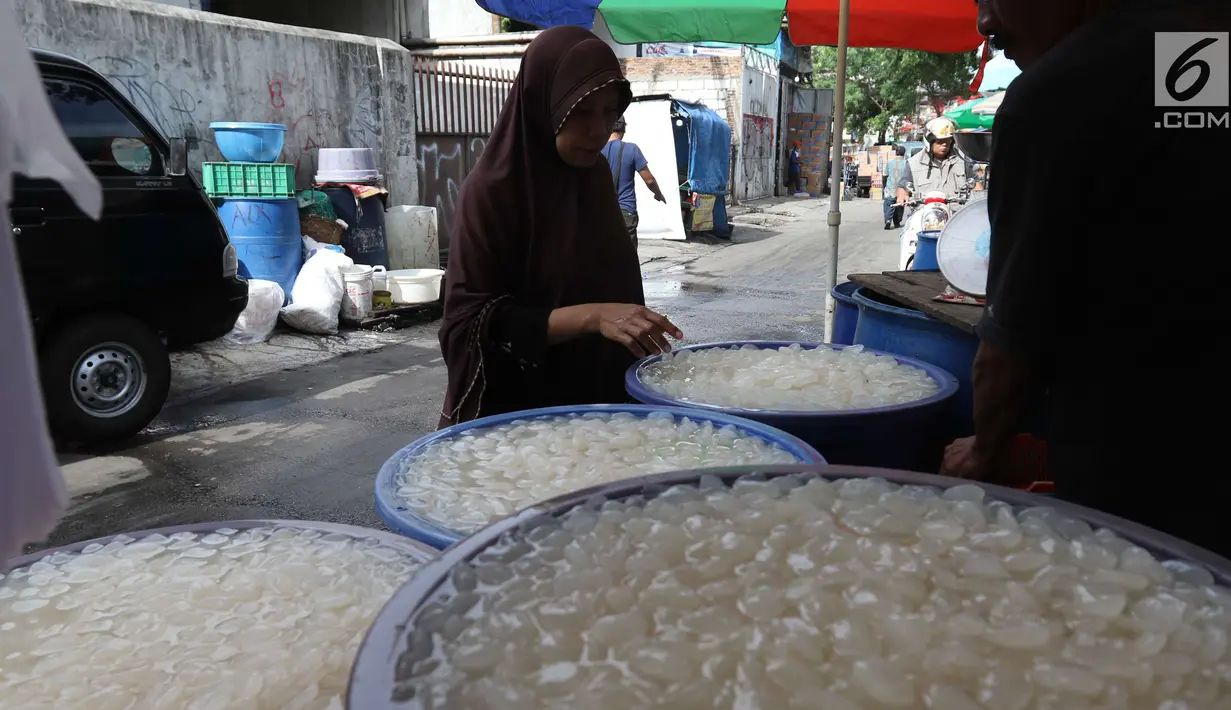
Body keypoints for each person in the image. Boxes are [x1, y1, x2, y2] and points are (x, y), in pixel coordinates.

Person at [941, 0, 1230, 557]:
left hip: (1144, 489)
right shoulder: (1196, 47)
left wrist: (984, 454)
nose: (985, 24)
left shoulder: (1061, 91)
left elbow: (1011, 341)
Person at [438, 26, 683, 428]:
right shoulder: (492, 192)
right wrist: (590, 317)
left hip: (603, 406)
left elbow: (613, 283)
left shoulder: (595, 175)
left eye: (609, 112)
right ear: (542, 104)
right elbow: (468, 324)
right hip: (521, 416)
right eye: (581, 112)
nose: (598, 130)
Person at [601, 116, 667, 244]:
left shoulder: (596, 150)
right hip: (625, 211)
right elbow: (649, 180)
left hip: (601, 211)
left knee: (604, 254)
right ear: (624, 129)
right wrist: (658, 194)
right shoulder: (631, 149)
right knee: (627, 255)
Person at [895, 116, 967, 206]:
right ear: (929, 141)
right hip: (925, 216)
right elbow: (902, 186)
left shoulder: (963, 160)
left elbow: (976, 186)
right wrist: (902, 196)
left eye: (948, 141)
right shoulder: (913, 164)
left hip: (956, 216)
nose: (944, 145)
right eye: (940, 141)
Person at [882, 145, 907, 230]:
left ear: (896, 153)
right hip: (901, 189)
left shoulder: (890, 162)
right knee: (899, 205)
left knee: (889, 204)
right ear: (904, 153)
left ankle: (888, 220)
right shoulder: (906, 163)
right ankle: (897, 221)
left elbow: (885, 174)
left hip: (890, 187)